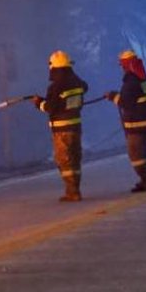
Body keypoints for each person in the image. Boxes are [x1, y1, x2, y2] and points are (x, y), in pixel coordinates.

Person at [31, 50, 89, 202]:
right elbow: (83, 88)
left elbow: (50, 107)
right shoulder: (75, 81)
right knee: (74, 159)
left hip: (62, 130)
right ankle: (75, 189)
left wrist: (39, 103)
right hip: (76, 126)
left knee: (64, 160)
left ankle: (72, 192)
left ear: (53, 67)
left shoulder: (56, 86)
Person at [105, 50, 146, 192]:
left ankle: (145, 180)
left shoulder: (131, 81)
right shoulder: (143, 79)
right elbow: (140, 97)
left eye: (122, 65)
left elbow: (125, 102)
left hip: (137, 124)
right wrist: (118, 95)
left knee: (135, 153)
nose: (122, 68)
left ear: (126, 65)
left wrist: (112, 97)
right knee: (142, 152)